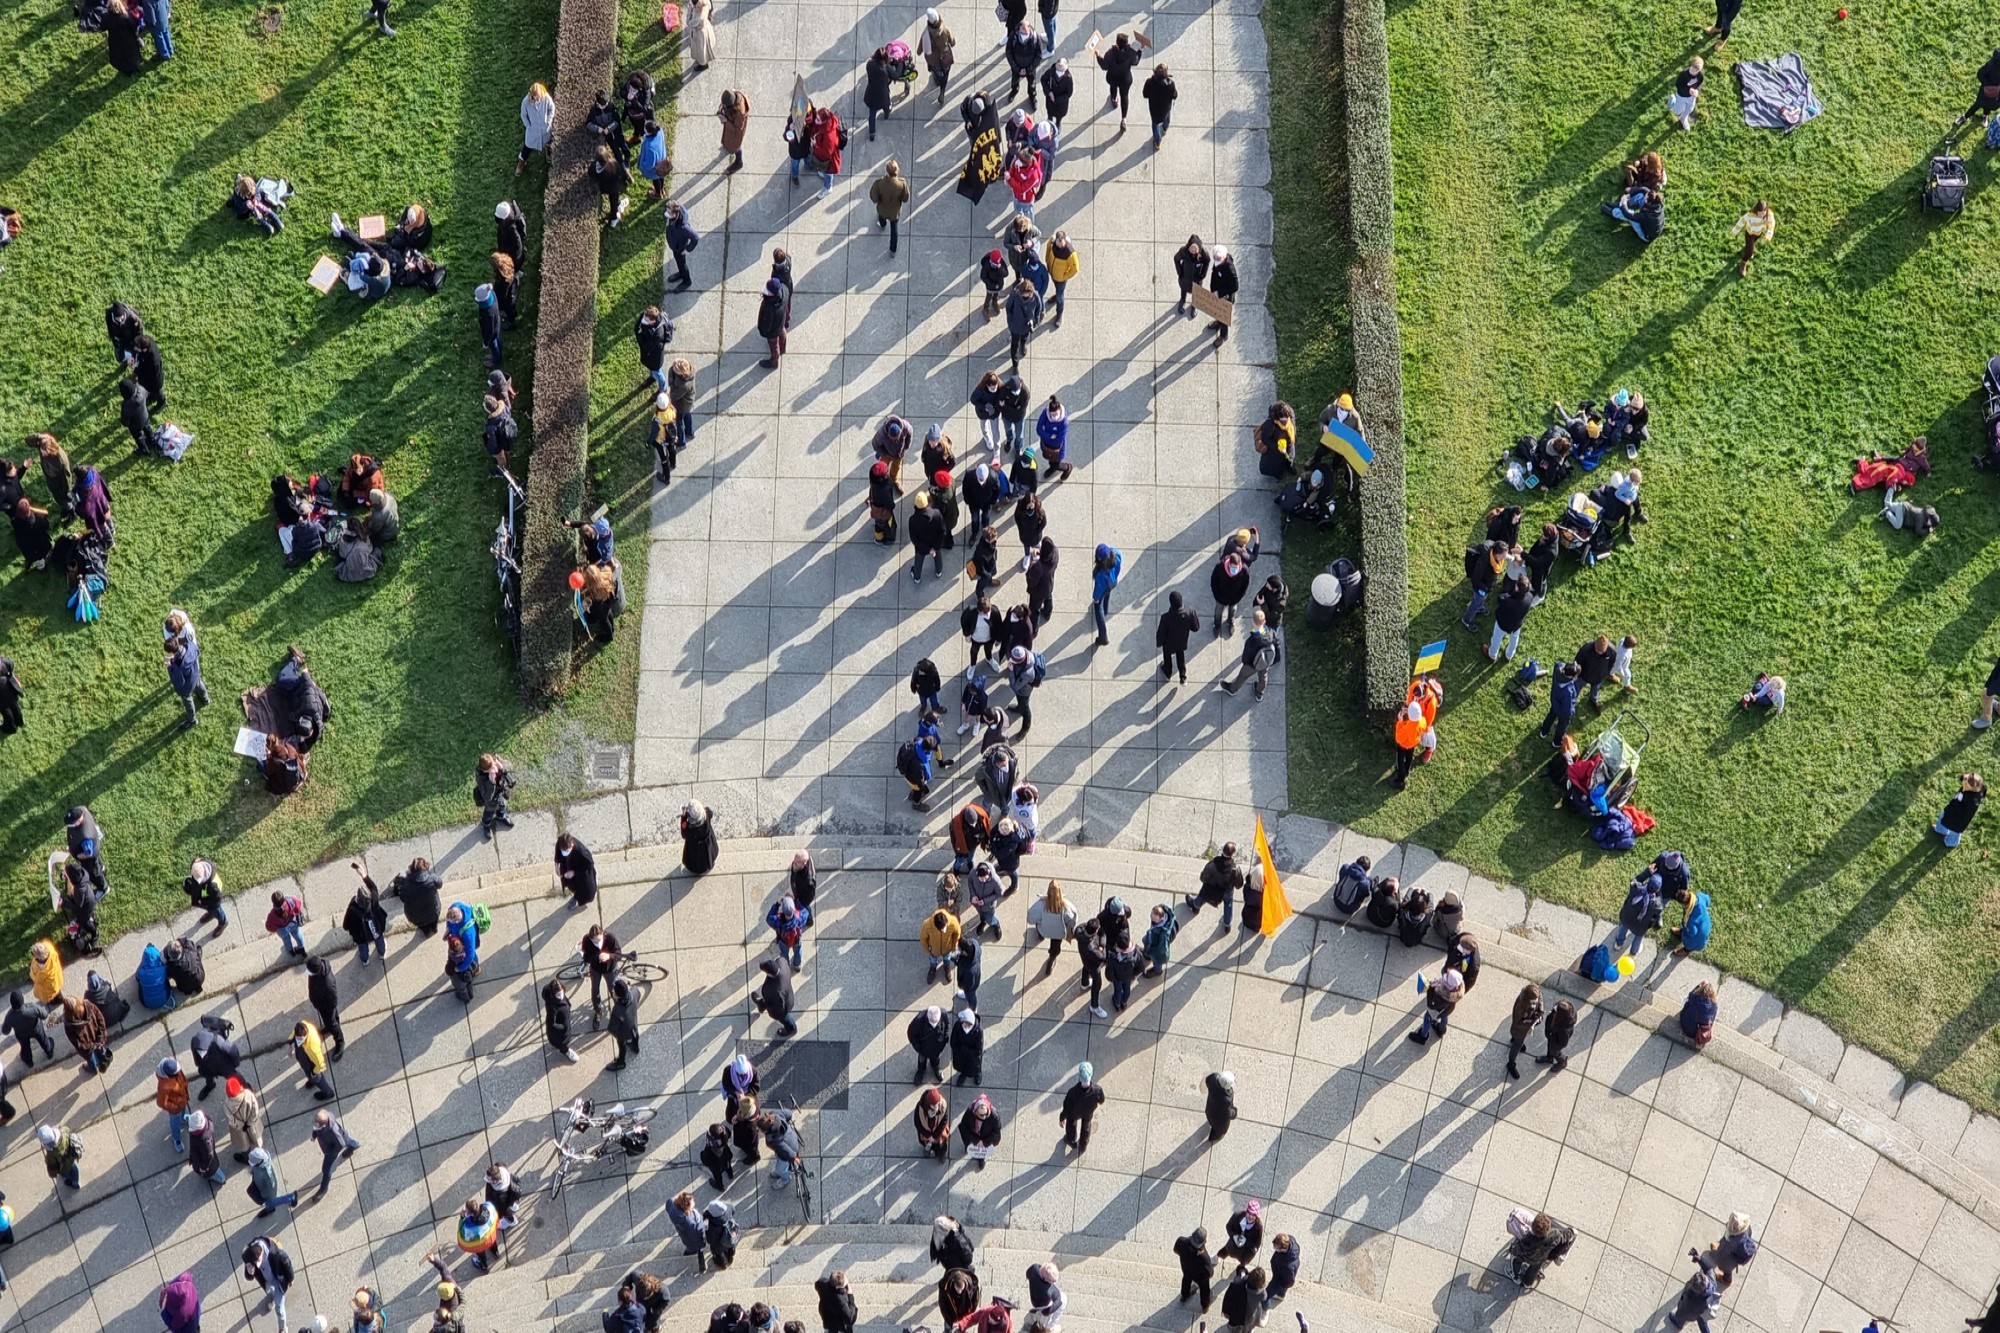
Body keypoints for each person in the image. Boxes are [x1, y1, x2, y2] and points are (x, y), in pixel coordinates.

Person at [1219, 609, 1278, 700]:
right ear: (1264, 621)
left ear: (1253, 622)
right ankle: (1259, 693)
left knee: (1242, 676)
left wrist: (1245, 662)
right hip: (1266, 661)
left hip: (1252, 664)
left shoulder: (1253, 640)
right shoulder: (1271, 632)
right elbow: (1276, 642)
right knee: (1263, 676)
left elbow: (1247, 654)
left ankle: (1232, 689)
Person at [1508, 1211, 1575, 1286]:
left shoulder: (1528, 1240)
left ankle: (1516, 1277)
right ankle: (1527, 1283)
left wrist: (1512, 1249)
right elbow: (1564, 1236)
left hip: (1528, 1257)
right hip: (1542, 1257)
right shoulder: (1555, 1234)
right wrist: (1571, 1233)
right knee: (1535, 1268)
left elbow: (1516, 1250)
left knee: (1516, 1260)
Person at [242, 1235, 295, 1330]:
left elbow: (287, 1265)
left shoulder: (277, 1254)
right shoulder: (249, 1255)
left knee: (280, 1309)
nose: (257, 1265)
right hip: (266, 1282)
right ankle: (271, 1298)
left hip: (278, 1281)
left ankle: (282, 1328)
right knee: (269, 1292)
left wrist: (290, 1279)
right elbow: (248, 1276)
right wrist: (250, 1273)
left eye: (258, 1260)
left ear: (262, 1252)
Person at [1701, 1212, 1759, 1289]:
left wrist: (1713, 1253)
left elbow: (1720, 1254)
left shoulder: (1730, 1242)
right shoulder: (1747, 1228)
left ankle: (1726, 1280)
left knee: (1726, 1268)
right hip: (1738, 1250)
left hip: (1731, 1258)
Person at [309, 1108, 360, 1196]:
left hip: (331, 1150)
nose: (315, 1126)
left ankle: (323, 1189)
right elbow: (316, 1129)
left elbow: (341, 1144)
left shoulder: (333, 1132)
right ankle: (355, 1145)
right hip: (343, 1135)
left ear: (323, 1126)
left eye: (317, 1125)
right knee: (349, 1140)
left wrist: (331, 1153)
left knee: (326, 1169)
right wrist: (314, 1136)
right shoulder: (325, 1118)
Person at [1408, 965, 1463, 1046]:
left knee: (1427, 1019)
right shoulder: (1456, 990)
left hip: (1436, 1010)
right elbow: (1442, 983)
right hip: (1447, 1009)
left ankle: (1422, 1036)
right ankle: (1441, 1030)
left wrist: (1430, 990)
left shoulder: (1441, 995)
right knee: (1444, 1016)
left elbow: (1431, 1004)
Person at [305, 956, 346, 1061]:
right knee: (331, 1020)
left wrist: (326, 1009)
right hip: (321, 1004)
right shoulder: (318, 970)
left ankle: (340, 1041)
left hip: (327, 1006)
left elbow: (332, 1000)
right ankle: (330, 1026)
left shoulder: (327, 984)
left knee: (332, 1023)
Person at [868, 158, 912, 253]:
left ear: (886, 171)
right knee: (894, 229)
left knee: (881, 217)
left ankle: (882, 224)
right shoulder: (901, 183)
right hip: (894, 211)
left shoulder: (879, 183)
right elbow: (905, 198)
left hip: (882, 209)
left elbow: (874, 198)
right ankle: (893, 250)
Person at [1059, 1062, 1104, 1153]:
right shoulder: (1097, 1090)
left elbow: (1067, 1108)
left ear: (1079, 1076)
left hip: (1074, 1113)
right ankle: (1083, 1145)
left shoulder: (1072, 1092)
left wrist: (1062, 1117)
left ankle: (1071, 1140)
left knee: (1071, 1123)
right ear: (1091, 1075)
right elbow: (1101, 1100)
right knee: (1086, 1126)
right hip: (1088, 1112)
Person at [1098, 31, 1140, 127]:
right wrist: (1140, 50)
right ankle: (1123, 119)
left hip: (1112, 77)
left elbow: (1104, 66)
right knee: (1124, 96)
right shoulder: (1131, 53)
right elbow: (1136, 61)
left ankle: (1114, 99)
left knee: (1113, 87)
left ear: (1117, 43)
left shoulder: (1110, 53)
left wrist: (1098, 56)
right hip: (1125, 80)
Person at [246, 1145, 298, 1215]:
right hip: (261, 1186)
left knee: (271, 1202)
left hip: (268, 1193)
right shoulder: (261, 1160)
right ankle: (272, 1207)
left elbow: (271, 1185)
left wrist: (264, 1194)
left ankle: (291, 1198)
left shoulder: (267, 1173)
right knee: (271, 1202)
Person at [1667, 1263, 1720, 1332]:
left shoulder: (1692, 1299)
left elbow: (1684, 1310)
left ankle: (1678, 1324)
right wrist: (1700, 1259)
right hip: (1701, 1313)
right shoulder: (1712, 1283)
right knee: (1703, 1324)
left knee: (1680, 1316)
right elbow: (1709, 1268)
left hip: (1691, 1313)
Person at [1539, 661, 1581, 745]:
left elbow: (1559, 663)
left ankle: (1543, 731)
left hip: (1555, 701)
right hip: (1563, 711)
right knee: (1562, 726)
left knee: (1550, 716)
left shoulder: (1558, 669)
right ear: (1572, 676)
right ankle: (1557, 742)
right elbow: (1568, 709)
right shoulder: (1569, 691)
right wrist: (1571, 713)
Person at [475, 753, 515, 838]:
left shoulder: (496, 762)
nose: (494, 768)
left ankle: (501, 816)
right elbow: (487, 798)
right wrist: (491, 782)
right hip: (491, 803)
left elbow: (510, 771)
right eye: (492, 768)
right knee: (488, 814)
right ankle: (486, 824)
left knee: (502, 807)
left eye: (494, 764)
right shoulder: (482, 778)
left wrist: (502, 768)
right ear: (485, 770)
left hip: (501, 796)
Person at [1006, 22, 1045, 110]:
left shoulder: (1035, 38)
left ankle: (1032, 97)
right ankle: (1014, 91)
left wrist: (1029, 69)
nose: (1024, 35)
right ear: (1019, 29)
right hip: (1017, 68)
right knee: (1014, 82)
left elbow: (1039, 55)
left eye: (1026, 33)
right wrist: (1016, 68)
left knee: (1032, 84)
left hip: (1030, 69)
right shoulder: (1013, 37)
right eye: (1023, 32)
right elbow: (1008, 52)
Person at [919, 9, 956, 103]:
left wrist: (920, 51)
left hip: (933, 61)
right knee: (945, 75)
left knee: (937, 73)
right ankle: (942, 92)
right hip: (945, 59)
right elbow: (953, 42)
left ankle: (937, 80)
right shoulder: (945, 29)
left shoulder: (926, 34)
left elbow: (920, 49)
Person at [1005, 278, 1043, 368]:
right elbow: (1008, 308)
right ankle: (1015, 364)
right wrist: (1010, 322)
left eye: (1028, 296)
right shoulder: (1014, 294)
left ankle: (1023, 344)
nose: (1025, 298)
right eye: (1023, 296)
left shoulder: (1036, 296)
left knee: (1025, 337)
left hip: (1027, 325)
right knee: (1014, 345)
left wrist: (1035, 322)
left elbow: (1038, 309)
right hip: (1015, 325)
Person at [519, 82, 556, 173]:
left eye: (540, 95)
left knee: (548, 142)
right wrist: (528, 125)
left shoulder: (546, 97)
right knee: (527, 146)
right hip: (533, 131)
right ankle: (522, 161)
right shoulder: (526, 102)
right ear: (532, 95)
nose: (539, 98)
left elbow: (552, 108)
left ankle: (548, 153)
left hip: (545, 129)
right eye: (537, 96)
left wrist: (549, 121)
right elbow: (523, 115)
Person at [1732, 199, 1775, 277]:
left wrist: (1768, 235)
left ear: (1766, 210)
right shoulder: (1750, 214)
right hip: (1749, 233)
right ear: (1756, 211)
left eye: (1763, 213)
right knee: (1750, 252)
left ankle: (1749, 248)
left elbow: (1771, 225)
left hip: (1759, 233)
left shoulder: (1769, 215)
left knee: (1752, 243)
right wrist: (1734, 232)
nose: (1761, 215)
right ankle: (1743, 262)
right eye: (1759, 213)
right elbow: (1741, 221)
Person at [225, 1076, 264, 1162]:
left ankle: (246, 1158)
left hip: (240, 1128)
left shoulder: (227, 1103)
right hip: (252, 1124)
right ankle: (259, 1155)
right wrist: (250, 1122)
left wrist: (241, 1125)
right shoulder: (248, 1094)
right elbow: (255, 1109)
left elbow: (231, 1120)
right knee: (256, 1137)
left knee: (244, 1143)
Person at [958, 1092, 1002, 1166]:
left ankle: (982, 1158)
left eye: (986, 1114)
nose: (984, 1117)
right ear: (975, 1111)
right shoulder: (969, 1112)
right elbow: (964, 1127)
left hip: (986, 1137)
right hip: (973, 1135)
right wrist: (975, 1141)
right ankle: (970, 1149)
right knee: (970, 1147)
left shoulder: (994, 1115)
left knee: (983, 1150)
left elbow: (996, 1131)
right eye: (981, 1115)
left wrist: (984, 1142)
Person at [669, 1190, 708, 1270]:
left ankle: (688, 1253)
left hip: (684, 1236)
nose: (694, 1202)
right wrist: (700, 1219)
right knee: (698, 1248)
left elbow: (668, 1204)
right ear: (686, 1207)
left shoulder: (671, 1205)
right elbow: (697, 1234)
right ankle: (701, 1262)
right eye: (692, 1202)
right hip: (695, 1240)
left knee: (689, 1248)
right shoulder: (690, 1221)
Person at [1172, 235, 1210, 317]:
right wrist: (1180, 272)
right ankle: (1182, 301)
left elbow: (1207, 261)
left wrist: (1203, 275)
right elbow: (1176, 259)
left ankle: (1194, 305)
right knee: (1183, 289)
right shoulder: (1183, 251)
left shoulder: (1203, 253)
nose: (1193, 251)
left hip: (1197, 278)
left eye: (1195, 249)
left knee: (1196, 292)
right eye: (1191, 249)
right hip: (1185, 277)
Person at [1142, 63, 1177, 148]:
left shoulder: (1150, 82)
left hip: (1155, 110)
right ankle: (1165, 129)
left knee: (1155, 125)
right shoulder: (1170, 84)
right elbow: (1175, 95)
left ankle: (1157, 142)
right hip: (1166, 108)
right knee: (1167, 118)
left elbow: (1145, 94)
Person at [104, 0, 143, 73]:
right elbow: (133, 26)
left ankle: (124, 70)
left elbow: (104, 26)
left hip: (115, 40)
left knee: (119, 55)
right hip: (128, 39)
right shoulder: (125, 16)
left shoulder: (107, 17)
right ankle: (134, 69)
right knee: (131, 55)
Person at [1538, 998, 1577, 1071]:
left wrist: (1553, 1042)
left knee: (1555, 1053)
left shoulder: (1565, 1029)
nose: (1553, 1009)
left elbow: (1563, 1043)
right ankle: (1549, 1058)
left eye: (1556, 1009)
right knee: (1549, 1047)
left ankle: (1562, 1062)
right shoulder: (1556, 1014)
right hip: (1551, 1036)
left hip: (1556, 1042)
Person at [1669, 55, 1704, 130]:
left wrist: (1697, 91)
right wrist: (1688, 90)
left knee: (1690, 109)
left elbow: (1700, 84)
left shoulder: (1700, 75)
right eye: (1693, 69)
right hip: (1681, 95)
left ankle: (1683, 119)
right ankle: (1672, 102)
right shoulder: (1683, 74)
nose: (1694, 72)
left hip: (1691, 97)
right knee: (1678, 111)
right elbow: (1678, 85)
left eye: (1696, 71)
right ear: (1690, 65)